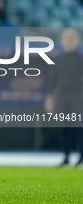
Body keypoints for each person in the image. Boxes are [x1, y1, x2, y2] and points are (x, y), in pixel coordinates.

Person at [44, 28, 83, 166]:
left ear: (76, 41)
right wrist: (49, 97)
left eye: (72, 39)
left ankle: (80, 156)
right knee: (65, 127)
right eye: (67, 39)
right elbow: (52, 81)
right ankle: (66, 156)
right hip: (63, 96)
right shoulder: (58, 60)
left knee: (78, 126)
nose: (69, 42)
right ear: (62, 41)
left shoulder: (80, 59)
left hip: (78, 96)